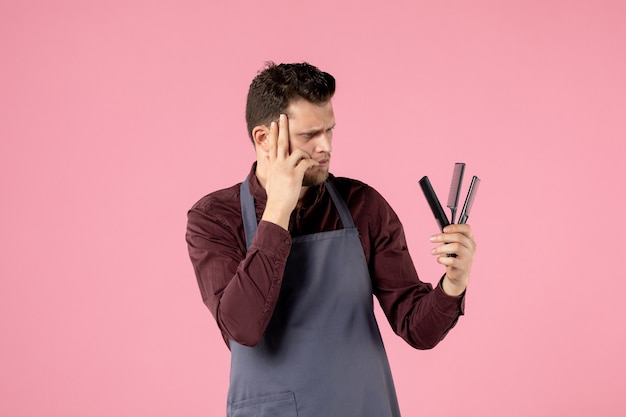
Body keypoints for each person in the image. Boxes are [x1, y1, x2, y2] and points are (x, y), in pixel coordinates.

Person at [186, 62, 476, 417]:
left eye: (330, 131)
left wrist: (454, 283)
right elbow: (241, 328)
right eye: (310, 135)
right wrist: (278, 209)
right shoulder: (214, 219)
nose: (325, 147)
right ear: (264, 138)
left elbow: (417, 328)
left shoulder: (363, 206)